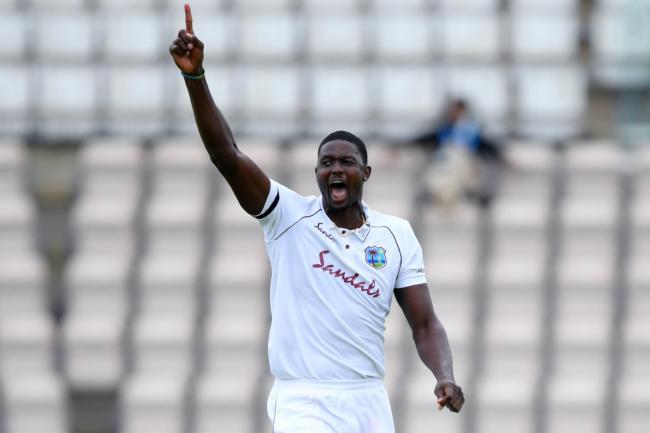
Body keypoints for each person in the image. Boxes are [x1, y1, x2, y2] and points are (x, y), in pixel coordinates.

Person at [169, 5, 464, 432]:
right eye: (327, 163)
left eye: (347, 162)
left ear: (366, 173)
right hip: (303, 396)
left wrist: (445, 376)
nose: (336, 169)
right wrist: (195, 78)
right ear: (317, 174)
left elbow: (425, 324)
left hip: (367, 397)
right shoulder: (287, 216)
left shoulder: (396, 235)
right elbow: (227, 156)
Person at [413, 99, 506, 209]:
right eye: (455, 111)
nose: (457, 114)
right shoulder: (444, 130)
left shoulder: (471, 132)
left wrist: (503, 156)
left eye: (460, 111)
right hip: (445, 164)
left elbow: (488, 147)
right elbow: (423, 139)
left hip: (464, 166)